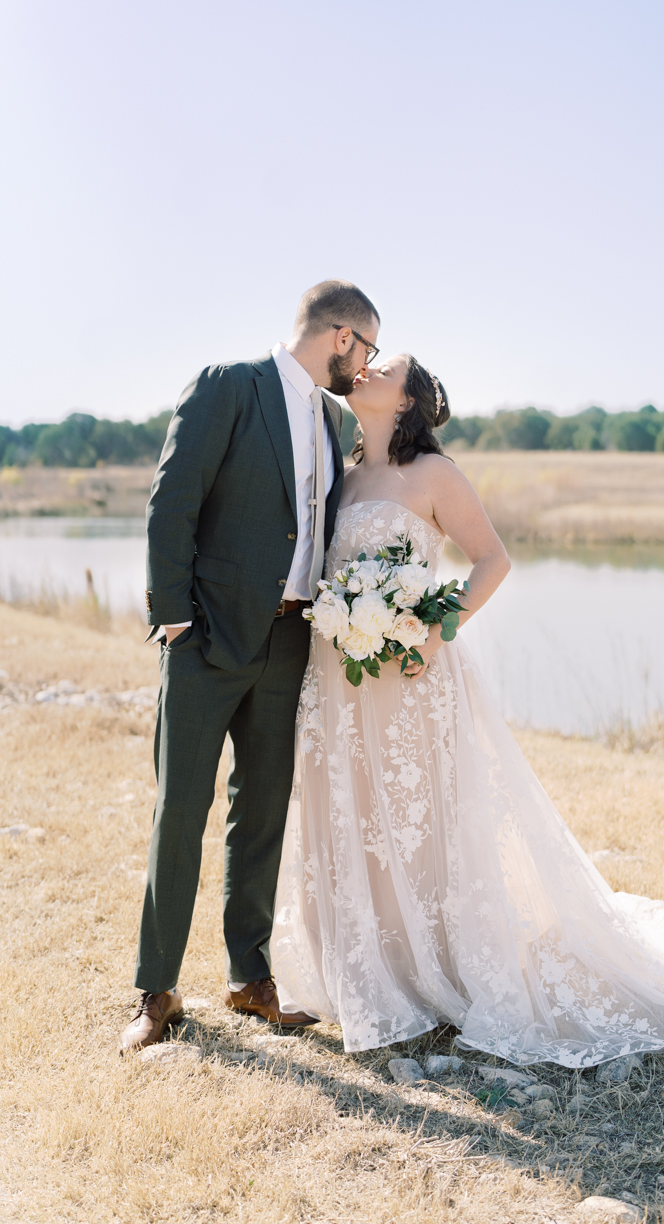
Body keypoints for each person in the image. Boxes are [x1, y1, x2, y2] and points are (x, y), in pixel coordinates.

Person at [268, 354, 664, 1066]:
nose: (364, 368)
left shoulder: (436, 475)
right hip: (344, 680)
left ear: (410, 398)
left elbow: (491, 560)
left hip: (414, 677)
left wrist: (431, 626)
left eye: (382, 365)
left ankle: (435, 967)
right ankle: (371, 974)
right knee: (354, 814)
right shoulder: (345, 477)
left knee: (420, 820)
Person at [119, 280, 380, 1054]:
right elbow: (174, 500)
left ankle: (248, 978)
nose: (364, 367)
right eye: (363, 350)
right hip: (204, 642)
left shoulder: (334, 421)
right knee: (181, 814)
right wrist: (172, 617)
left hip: (290, 642)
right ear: (340, 335)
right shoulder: (230, 385)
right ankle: (155, 991)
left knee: (262, 813)